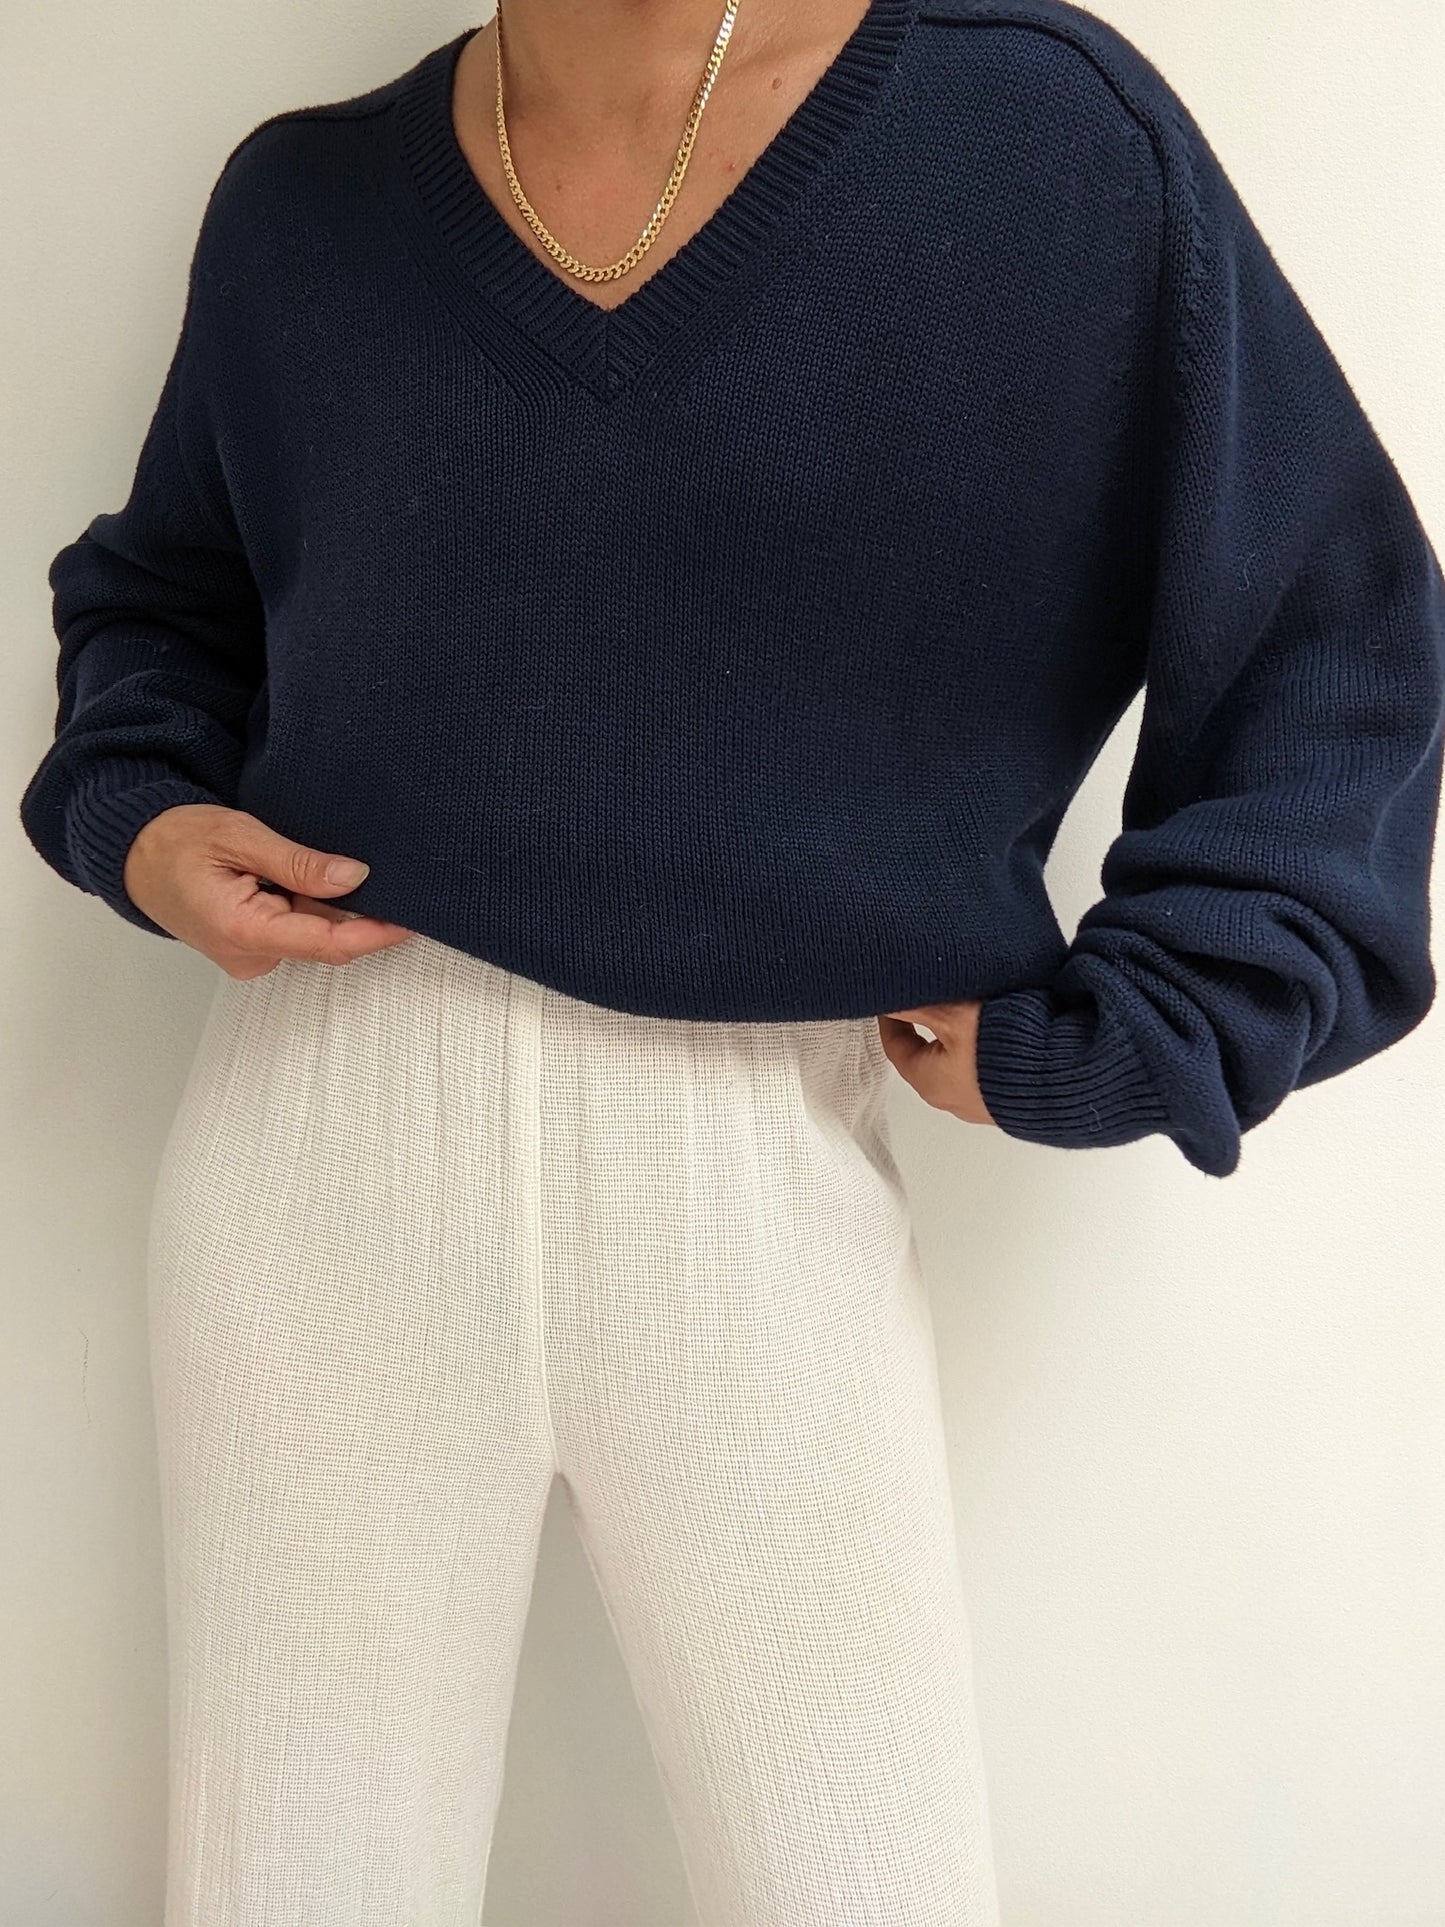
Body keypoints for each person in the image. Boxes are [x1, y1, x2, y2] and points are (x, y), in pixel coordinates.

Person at [18, 0, 1444, 1920]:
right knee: (293, 1888)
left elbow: (1334, 640)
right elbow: (163, 603)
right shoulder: (304, 205)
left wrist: (1161, 1014)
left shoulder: (1043, 143)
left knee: (865, 1884)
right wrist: (140, 816)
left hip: (760, 1173)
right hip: (310, 1156)